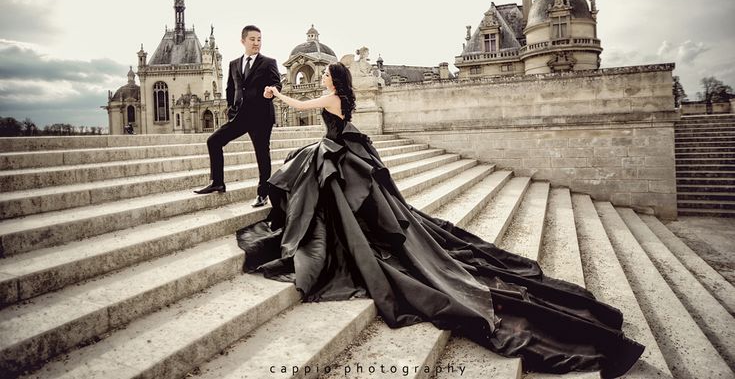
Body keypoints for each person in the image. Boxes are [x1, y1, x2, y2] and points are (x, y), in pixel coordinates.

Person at [235, 62, 644, 377]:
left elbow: (302, 106)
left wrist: (277, 94)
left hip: (340, 156)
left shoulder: (328, 98)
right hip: (344, 154)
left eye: (325, 73)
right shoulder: (344, 98)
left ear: (334, 79)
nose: (322, 77)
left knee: (306, 176)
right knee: (311, 173)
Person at [195, 25, 282, 208]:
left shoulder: (269, 62)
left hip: (261, 117)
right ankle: (217, 182)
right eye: (252, 39)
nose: (256, 43)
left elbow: (276, 84)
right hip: (240, 116)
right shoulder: (234, 63)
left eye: (259, 39)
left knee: (262, 154)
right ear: (243, 41)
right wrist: (231, 108)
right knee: (214, 141)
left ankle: (263, 193)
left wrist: (271, 92)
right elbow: (230, 88)